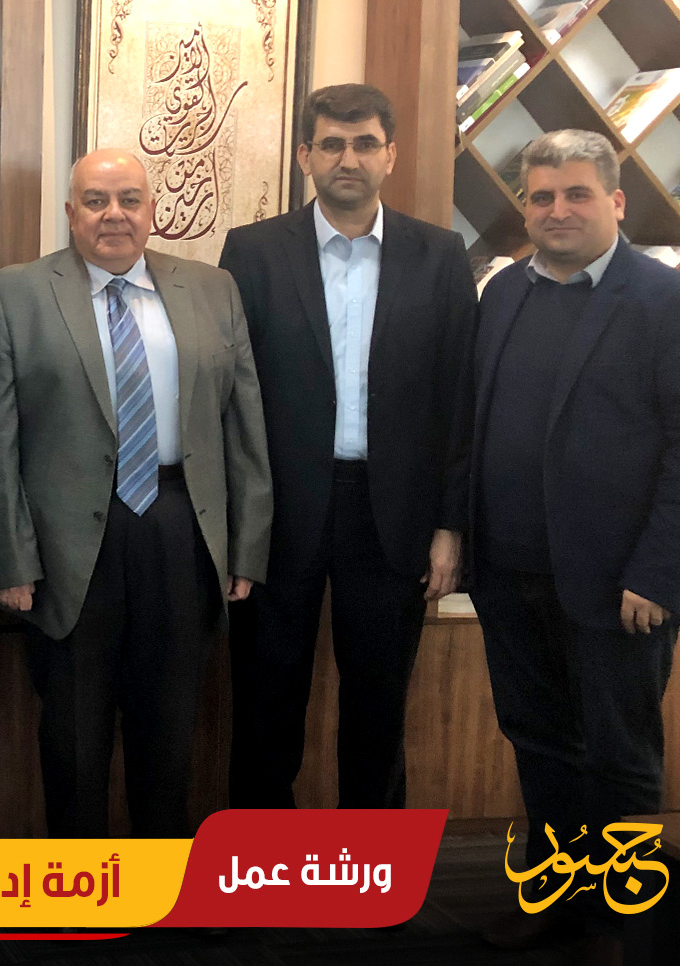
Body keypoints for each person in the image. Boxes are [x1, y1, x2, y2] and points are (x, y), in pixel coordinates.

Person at [470, 129, 680, 962]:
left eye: (576, 193)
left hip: (623, 585)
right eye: (541, 197)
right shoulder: (503, 294)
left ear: (615, 200)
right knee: (539, 744)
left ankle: (627, 926)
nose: (557, 210)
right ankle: (557, 902)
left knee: (620, 758)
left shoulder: (673, 303)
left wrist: (658, 570)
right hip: (510, 573)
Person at [0, 148, 271, 837]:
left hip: (180, 528)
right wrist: (10, 560)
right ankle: (81, 884)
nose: (114, 215)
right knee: (74, 737)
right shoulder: (16, 293)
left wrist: (247, 548)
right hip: (68, 544)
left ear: (152, 210)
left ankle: (157, 880)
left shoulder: (212, 289)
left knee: (169, 732)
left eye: (129, 200)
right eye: (97, 201)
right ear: (70, 213)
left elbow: (244, 425)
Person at [218, 84, 478, 809]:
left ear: (391, 154)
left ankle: (374, 864)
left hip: (393, 515)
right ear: (305, 156)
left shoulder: (440, 255)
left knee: (379, 708)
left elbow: (459, 401)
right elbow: (230, 395)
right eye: (331, 144)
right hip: (279, 511)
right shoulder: (253, 251)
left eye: (365, 144)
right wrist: (236, 521)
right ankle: (260, 859)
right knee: (266, 701)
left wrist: (450, 526)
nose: (348, 159)